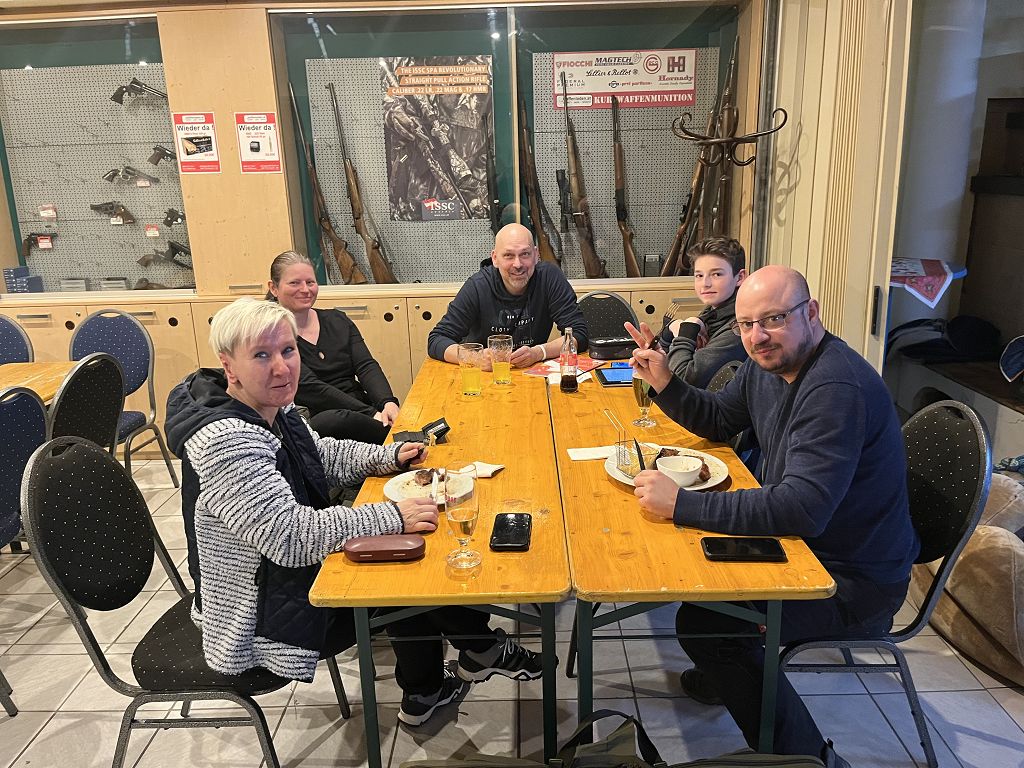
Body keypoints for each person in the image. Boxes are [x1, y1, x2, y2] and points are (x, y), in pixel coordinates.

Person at [165, 298, 543, 727]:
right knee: (404, 566)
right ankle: (473, 655)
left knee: (405, 552)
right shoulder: (225, 440)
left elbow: (319, 455)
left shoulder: (268, 406)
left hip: (281, 579)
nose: (282, 368)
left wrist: (389, 456)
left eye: (287, 350)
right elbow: (290, 537)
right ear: (228, 365)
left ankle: (439, 681)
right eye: (261, 355)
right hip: (256, 614)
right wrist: (392, 516)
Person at [626, 266, 919, 767]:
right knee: (700, 586)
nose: (757, 336)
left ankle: (808, 759)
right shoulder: (768, 366)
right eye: (746, 324)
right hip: (810, 548)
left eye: (774, 319)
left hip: (850, 579)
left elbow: (802, 508)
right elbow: (720, 418)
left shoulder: (835, 387)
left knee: (708, 623)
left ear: (812, 312)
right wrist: (665, 382)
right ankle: (735, 674)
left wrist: (682, 504)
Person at [267, 251, 397, 445]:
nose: (305, 289)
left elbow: (366, 366)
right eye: (294, 283)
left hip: (360, 407)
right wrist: (371, 414)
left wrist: (387, 403)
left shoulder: (337, 320)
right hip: (317, 417)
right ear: (274, 288)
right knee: (335, 420)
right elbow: (312, 388)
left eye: (310, 282)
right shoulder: (271, 335)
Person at [427, 223, 587, 368]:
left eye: (525, 254)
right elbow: (437, 340)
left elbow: (578, 335)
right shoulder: (478, 286)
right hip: (484, 376)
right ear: (495, 258)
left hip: (532, 373)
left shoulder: (549, 278)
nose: (518, 264)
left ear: (536, 255)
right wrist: (475, 358)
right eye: (508, 255)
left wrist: (539, 353)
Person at [660, 237, 748, 388]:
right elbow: (663, 356)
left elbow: (682, 382)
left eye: (717, 274)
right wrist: (672, 328)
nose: (705, 284)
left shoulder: (739, 327)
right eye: (699, 275)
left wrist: (686, 332)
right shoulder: (712, 311)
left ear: (739, 277)